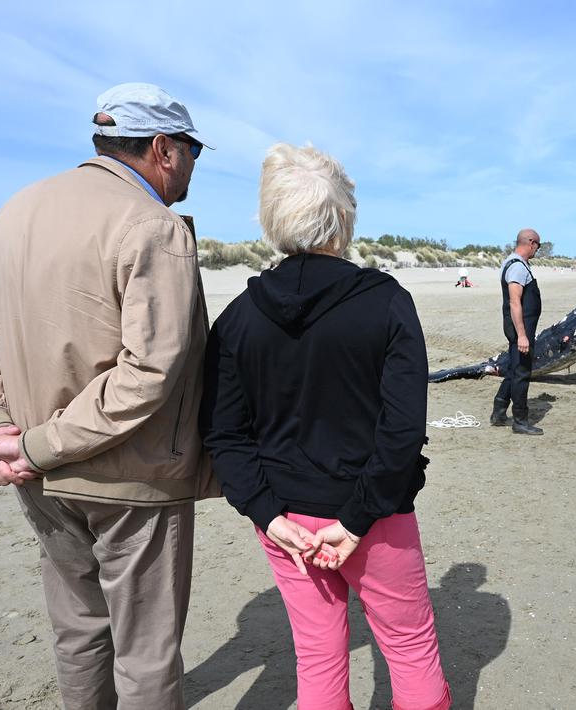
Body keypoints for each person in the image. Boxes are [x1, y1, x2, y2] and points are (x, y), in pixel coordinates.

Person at [0, 82, 216, 709]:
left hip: (35, 467)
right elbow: (151, 371)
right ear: (163, 148)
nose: (194, 165)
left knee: (78, 632)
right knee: (146, 651)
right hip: (130, 478)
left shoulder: (15, 212)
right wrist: (27, 443)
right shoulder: (154, 224)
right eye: (194, 150)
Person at [200, 143, 451, 710]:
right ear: (344, 217)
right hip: (371, 513)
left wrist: (267, 513)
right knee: (408, 644)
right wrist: (359, 517)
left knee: (317, 653)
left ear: (271, 219)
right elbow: (402, 429)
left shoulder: (239, 318)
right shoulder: (385, 302)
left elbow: (225, 434)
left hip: (289, 516)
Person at [490, 228, 544, 435]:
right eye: (537, 246)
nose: (537, 250)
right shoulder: (518, 268)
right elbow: (514, 302)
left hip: (518, 325)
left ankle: (499, 411)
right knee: (522, 372)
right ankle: (520, 420)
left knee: (514, 368)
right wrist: (522, 334)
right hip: (520, 327)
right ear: (530, 243)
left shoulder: (513, 263)